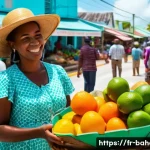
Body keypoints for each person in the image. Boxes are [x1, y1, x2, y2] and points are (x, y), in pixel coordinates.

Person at [0, 8, 75, 149]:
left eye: (37, 35)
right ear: (12, 44)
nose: (34, 42)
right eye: (25, 38)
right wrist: (38, 133)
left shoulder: (58, 72)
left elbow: (69, 115)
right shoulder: (6, 80)